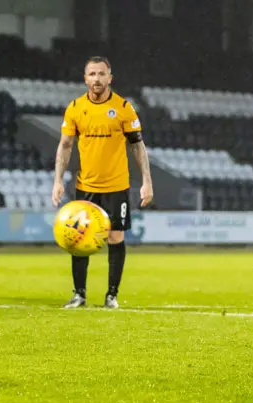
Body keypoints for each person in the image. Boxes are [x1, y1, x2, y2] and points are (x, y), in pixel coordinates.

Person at [52, 56, 154, 309]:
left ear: (110, 77)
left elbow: (138, 146)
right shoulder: (75, 108)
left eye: (101, 74)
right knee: (77, 239)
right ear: (85, 78)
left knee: (115, 237)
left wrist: (146, 182)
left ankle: (112, 296)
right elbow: (65, 146)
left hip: (117, 186)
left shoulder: (123, 108)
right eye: (92, 74)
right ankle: (79, 294)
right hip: (86, 186)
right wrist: (57, 181)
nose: (97, 79)